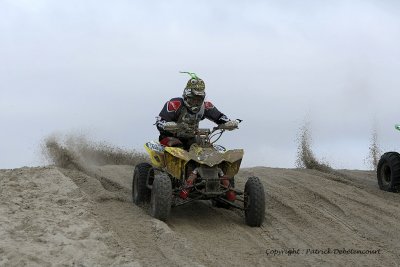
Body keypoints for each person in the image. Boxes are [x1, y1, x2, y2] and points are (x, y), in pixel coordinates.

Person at [155, 72, 238, 149]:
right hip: (169, 138)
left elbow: (219, 117)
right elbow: (159, 121)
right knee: (177, 146)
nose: (195, 102)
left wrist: (229, 123)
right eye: (193, 99)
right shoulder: (175, 103)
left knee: (206, 148)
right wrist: (167, 125)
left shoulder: (206, 106)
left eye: (198, 100)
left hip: (190, 138)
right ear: (186, 96)